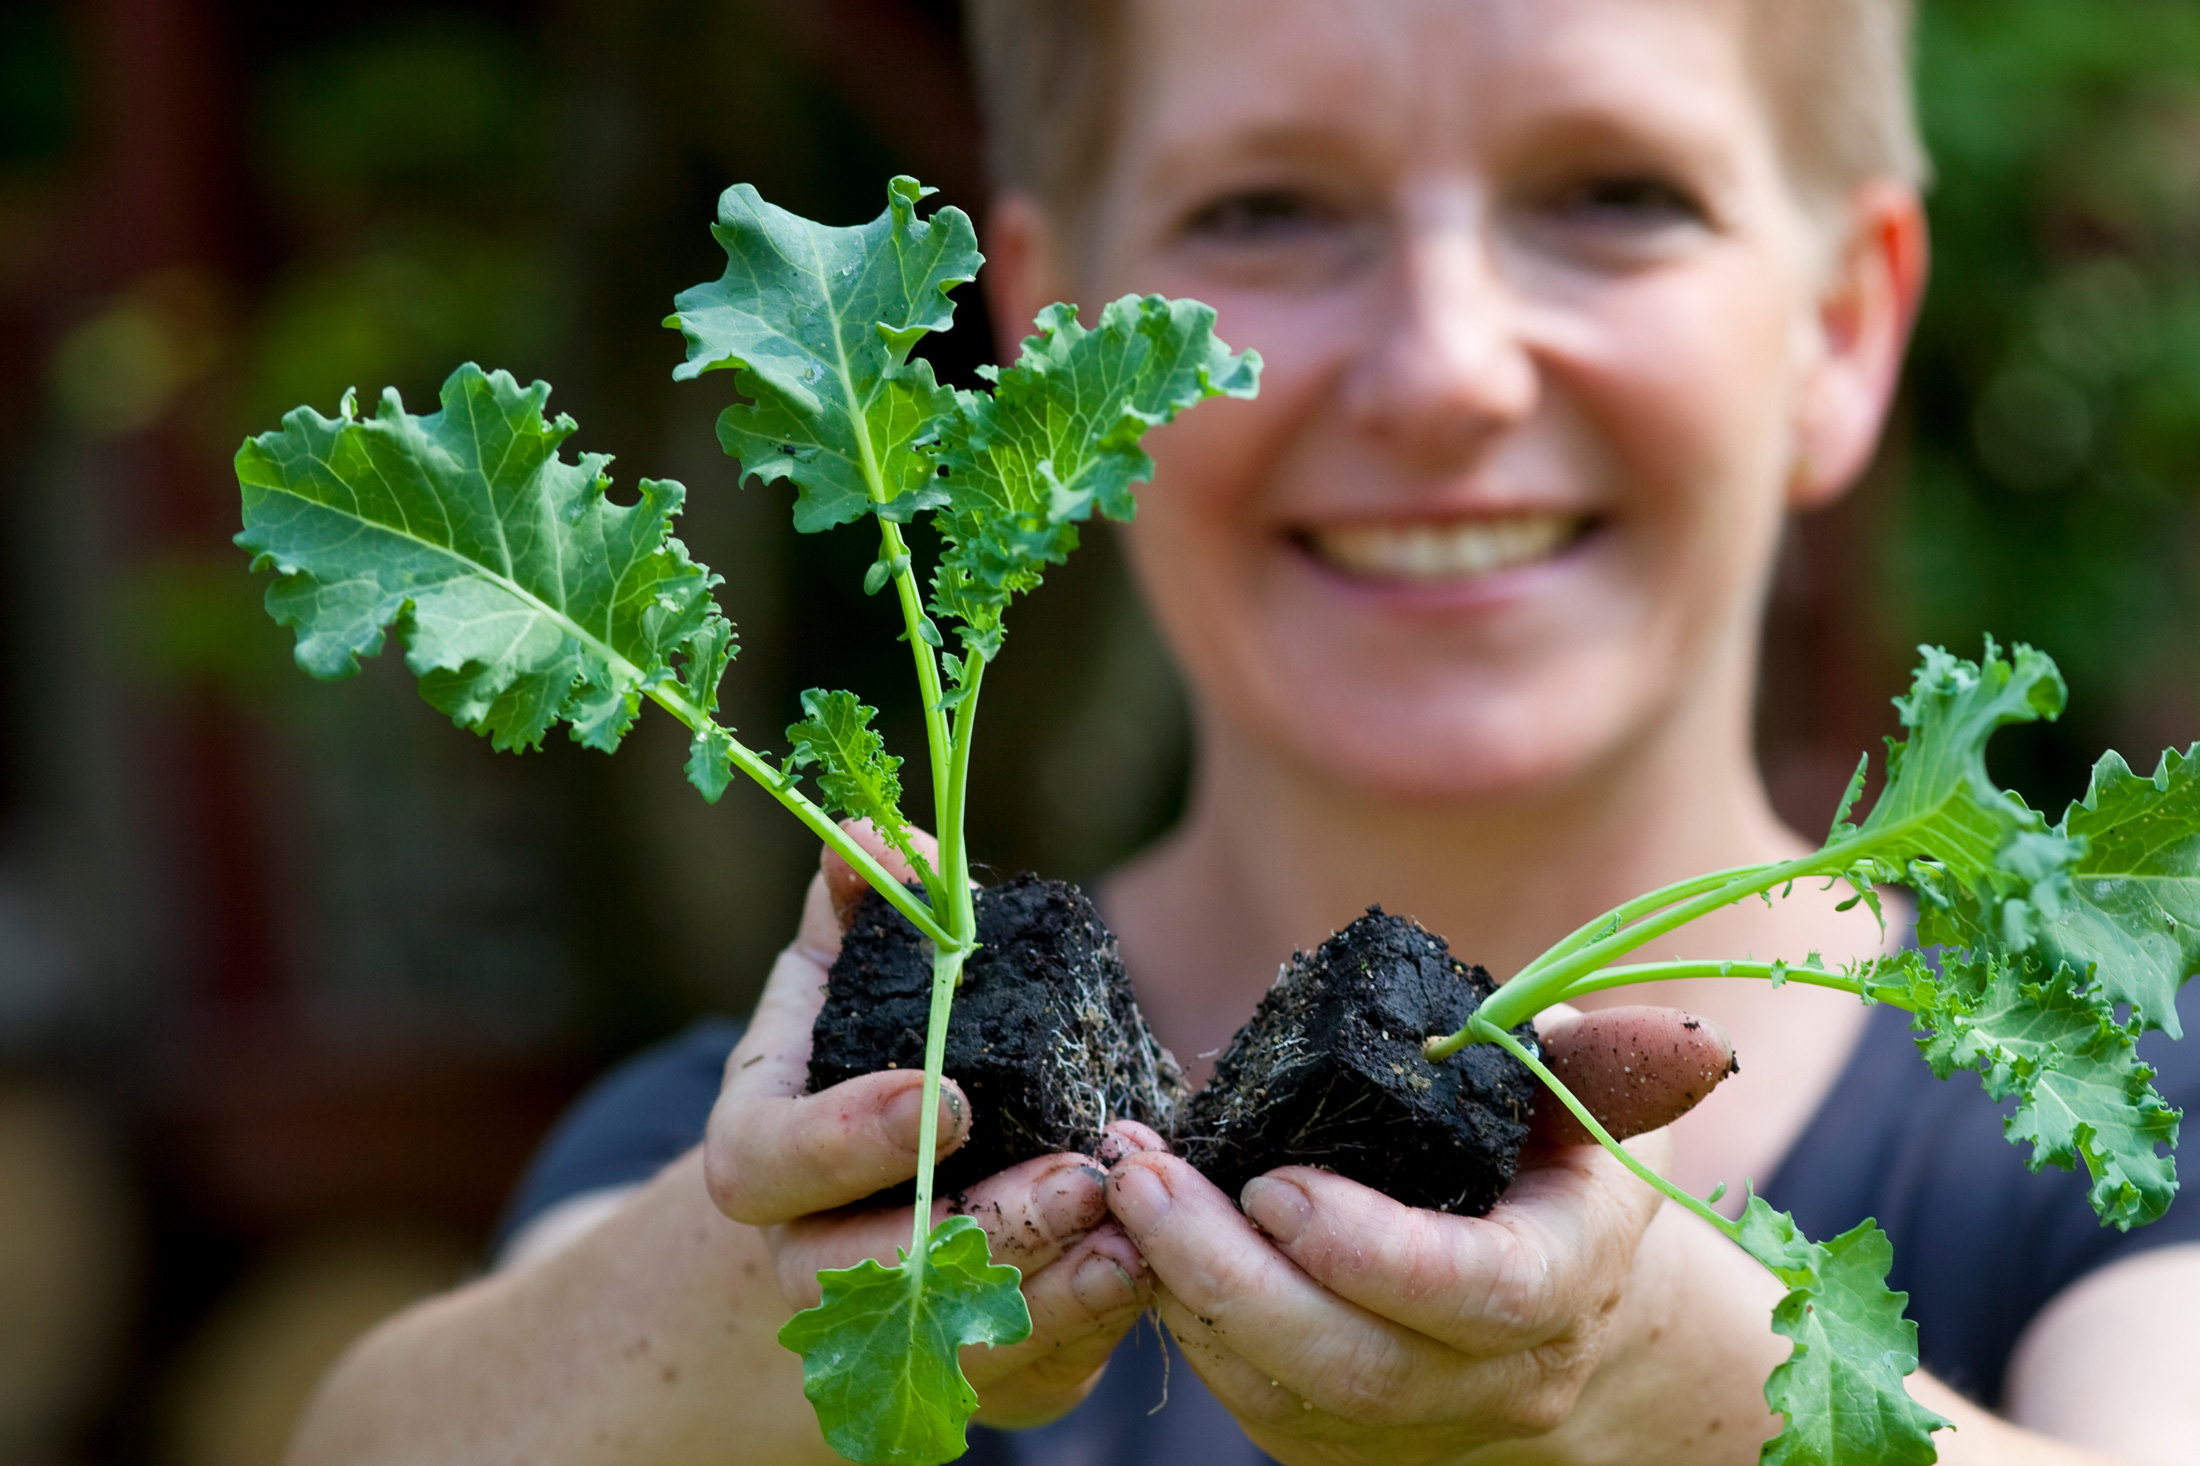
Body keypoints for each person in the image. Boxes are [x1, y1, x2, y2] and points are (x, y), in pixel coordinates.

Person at [285, 1, 2200, 1463]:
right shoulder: (746, 1143)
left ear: (1844, 330)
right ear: (1056, 338)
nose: (1448, 368)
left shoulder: (2118, 1130)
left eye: (1615, 196)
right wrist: (751, 1281)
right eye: (1268, 207)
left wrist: (1668, 1388)